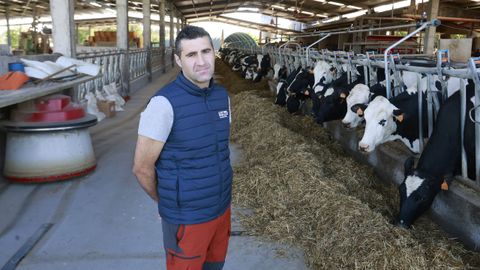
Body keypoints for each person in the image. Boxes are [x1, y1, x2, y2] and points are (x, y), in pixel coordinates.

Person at [133, 25, 233, 270]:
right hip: (187, 219)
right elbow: (142, 168)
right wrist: (166, 202)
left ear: (214, 53)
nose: (201, 62)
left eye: (206, 51)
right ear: (178, 60)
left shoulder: (222, 96)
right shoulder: (163, 104)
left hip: (222, 210)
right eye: (191, 55)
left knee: (214, 266)